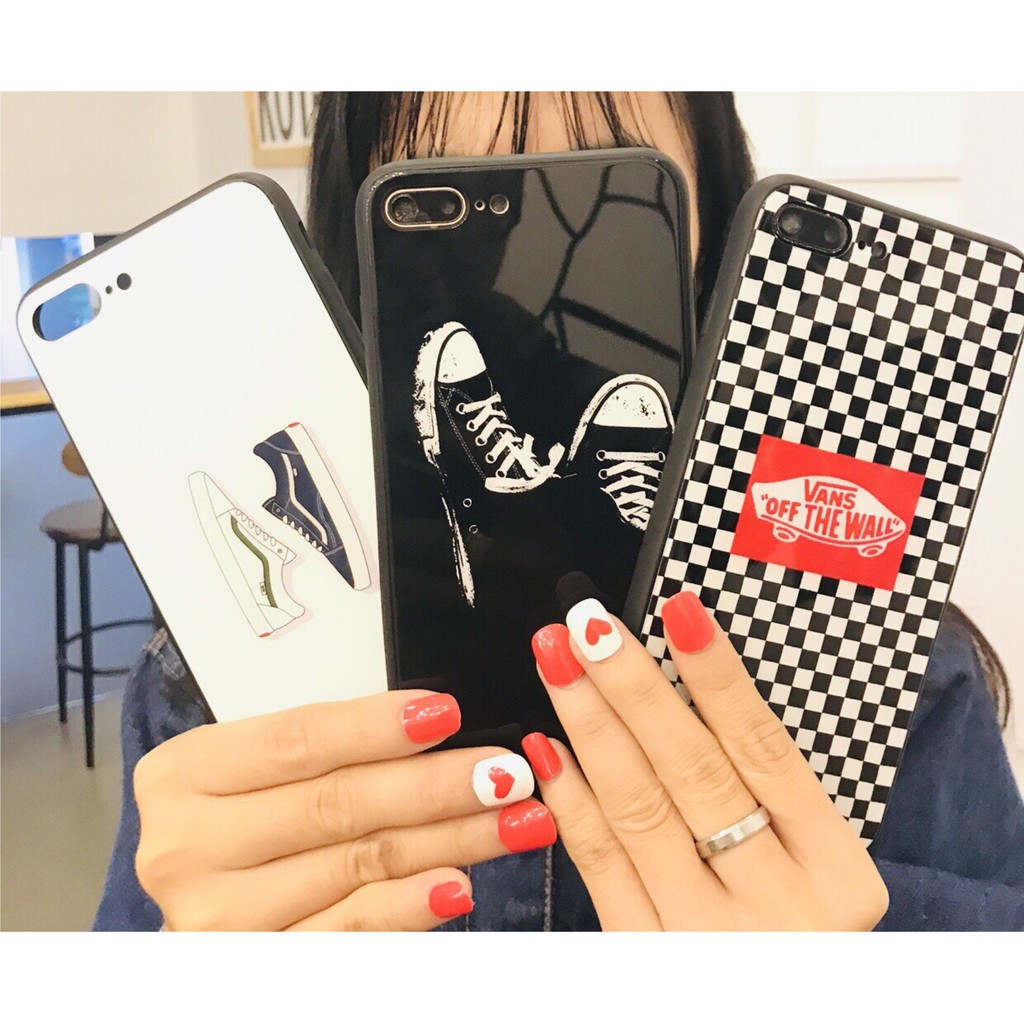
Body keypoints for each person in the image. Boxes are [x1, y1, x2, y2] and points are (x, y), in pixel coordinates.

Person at [94, 92, 1024, 931]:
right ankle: (490, 503)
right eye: (441, 182)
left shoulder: (883, 666)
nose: (515, 211)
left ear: (713, 220)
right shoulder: (217, 686)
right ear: (357, 210)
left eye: (599, 166)